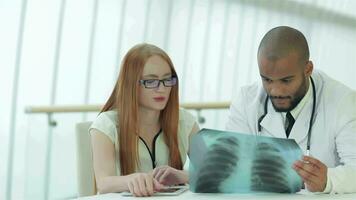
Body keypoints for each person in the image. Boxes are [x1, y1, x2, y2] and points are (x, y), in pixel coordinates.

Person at [226, 26, 356, 194]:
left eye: (286, 80)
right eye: (267, 79)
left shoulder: (342, 101)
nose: (275, 91)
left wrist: (328, 180)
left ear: (308, 69)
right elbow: (230, 164)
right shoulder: (246, 100)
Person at [89, 43, 199, 197]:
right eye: (151, 81)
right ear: (131, 85)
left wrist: (182, 175)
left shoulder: (185, 121)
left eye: (167, 79)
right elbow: (103, 182)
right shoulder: (107, 124)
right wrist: (131, 180)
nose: (161, 88)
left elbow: (215, 174)